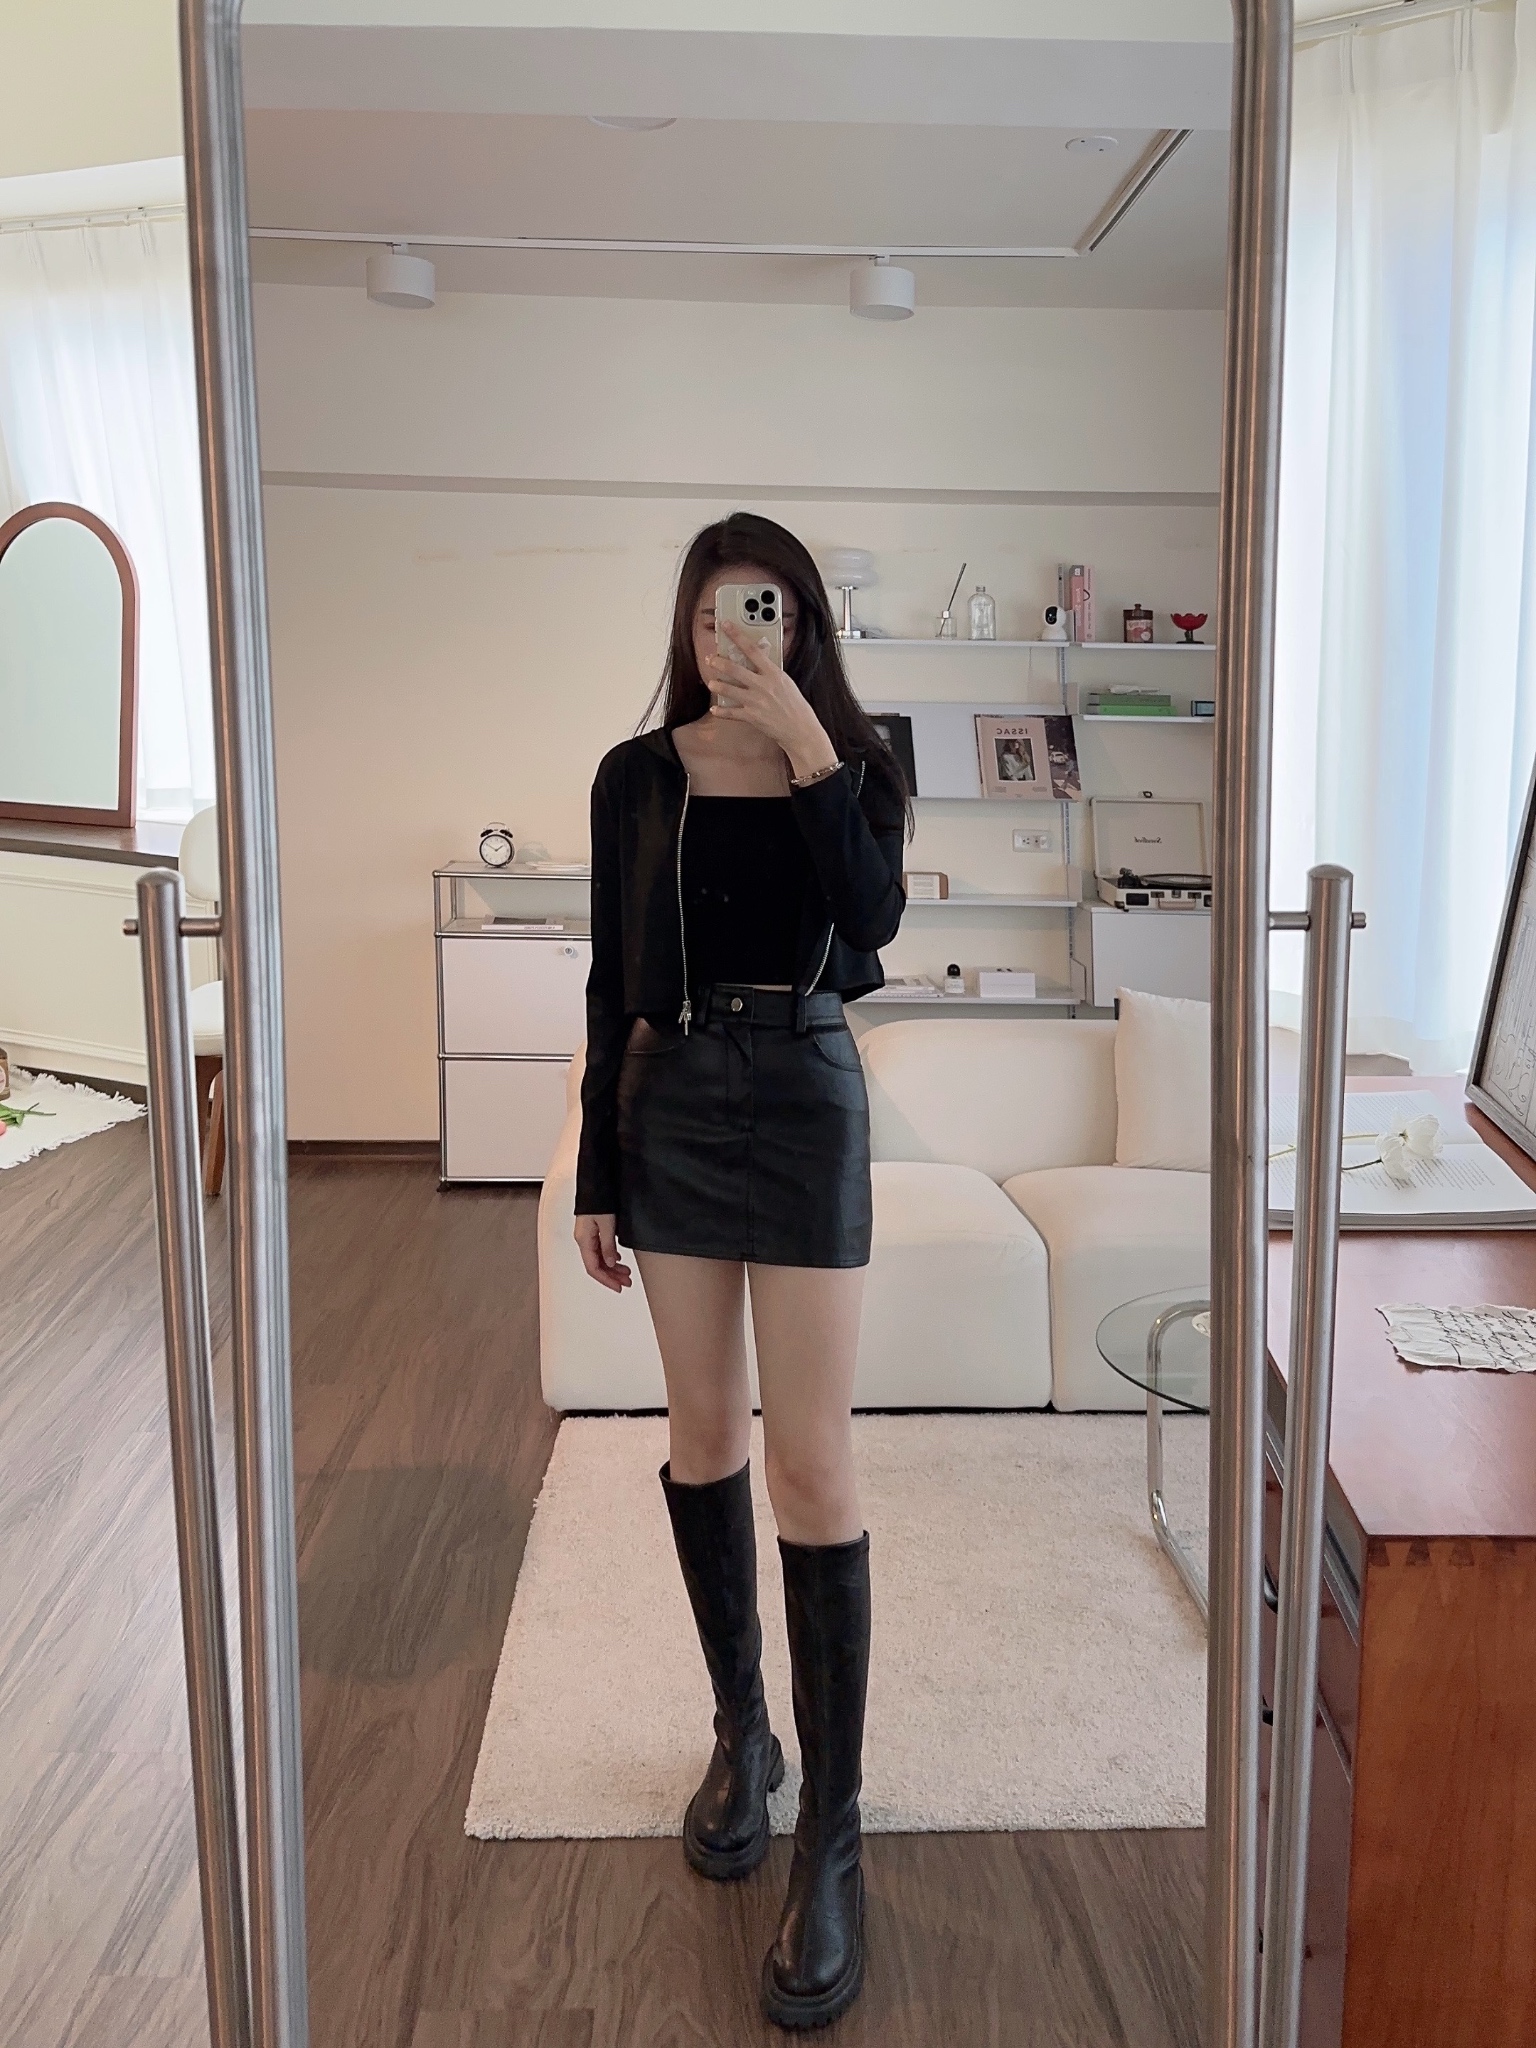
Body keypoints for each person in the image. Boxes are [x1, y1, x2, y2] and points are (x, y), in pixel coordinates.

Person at [572, 512, 908, 2029]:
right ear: (686, 629)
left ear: (802, 624)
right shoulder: (634, 777)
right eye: (712, 618)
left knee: (813, 1466)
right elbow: (610, 977)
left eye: (759, 613)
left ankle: (831, 1838)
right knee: (703, 1434)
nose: (733, 641)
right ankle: (742, 1733)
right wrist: (598, 1166)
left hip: (810, 1093)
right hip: (674, 1105)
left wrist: (810, 750)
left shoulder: (860, 766)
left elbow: (873, 918)